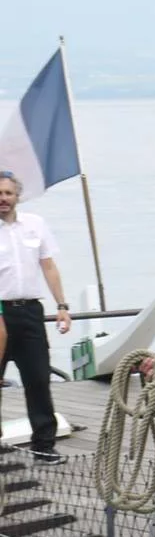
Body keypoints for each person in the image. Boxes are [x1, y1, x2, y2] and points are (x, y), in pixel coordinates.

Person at [0, 170, 71, 464]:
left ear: (18, 196)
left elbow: (49, 266)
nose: (3, 199)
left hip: (30, 311)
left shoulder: (35, 224)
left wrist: (62, 305)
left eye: (8, 193)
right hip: (0, 312)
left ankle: (44, 445)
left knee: (39, 378)